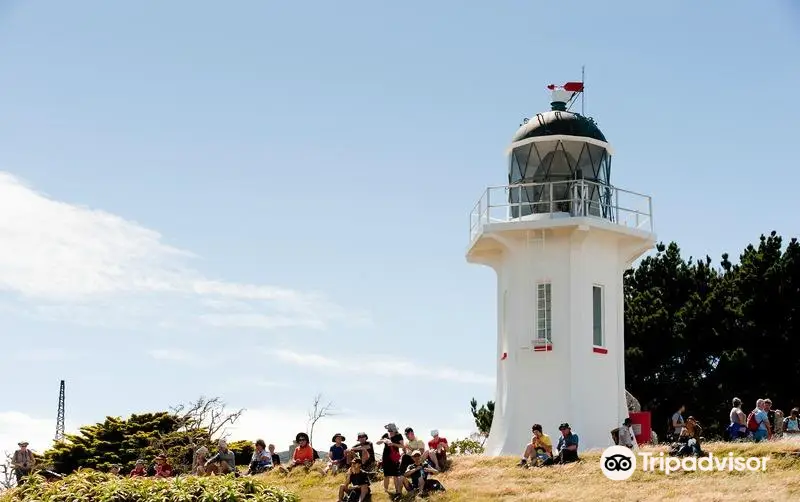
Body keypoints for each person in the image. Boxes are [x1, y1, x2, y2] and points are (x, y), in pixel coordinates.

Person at [378, 424, 404, 496]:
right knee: (386, 475)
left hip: (394, 457)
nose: (390, 431)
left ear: (395, 430)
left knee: (395, 475)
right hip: (386, 456)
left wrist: (393, 444)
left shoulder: (399, 435)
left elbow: (402, 446)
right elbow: (377, 443)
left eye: (391, 430)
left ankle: (397, 492)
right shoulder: (386, 435)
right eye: (389, 430)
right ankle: (386, 491)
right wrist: (384, 440)